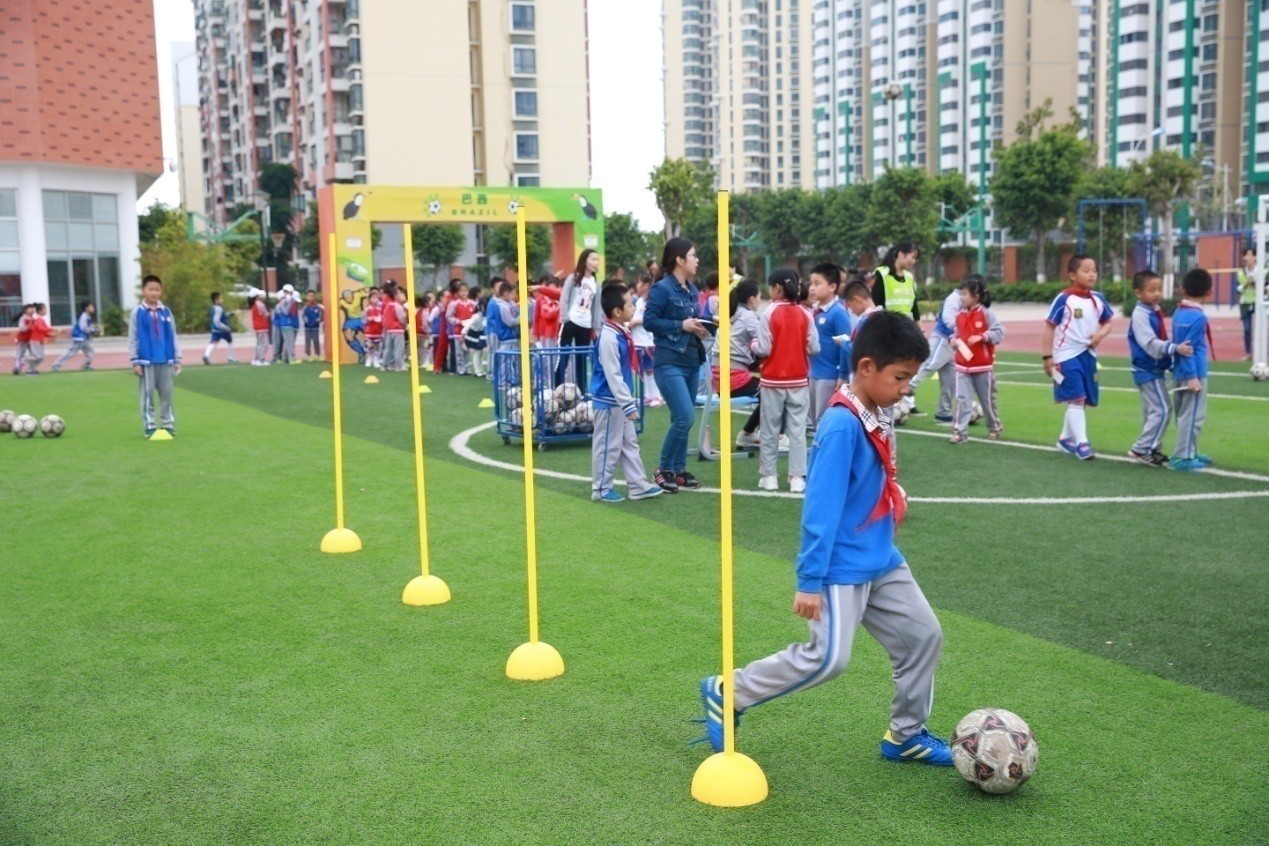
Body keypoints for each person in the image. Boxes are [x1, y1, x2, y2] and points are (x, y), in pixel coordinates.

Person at [695, 310, 950, 767]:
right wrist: (809, 579)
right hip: (841, 565)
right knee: (828, 658)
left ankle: (906, 735)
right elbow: (821, 505)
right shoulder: (841, 423)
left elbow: (869, 479)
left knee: (924, 635)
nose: (906, 387)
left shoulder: (877, 408)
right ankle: (728, 691)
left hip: (881, 558)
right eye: (900, 376)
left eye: (911, 378)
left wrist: (894, 499)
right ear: (867, 368)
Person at [643, 238, 710, 493]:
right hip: (669, 361)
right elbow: (649, 321)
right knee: (685, 417)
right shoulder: (662, 289)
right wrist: (680, 326)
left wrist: (702, 329)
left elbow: (693, 320)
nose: (697, 260)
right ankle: (662, 469)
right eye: (693, 255)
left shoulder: (692, 290)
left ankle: (677, 470)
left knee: (680, 418)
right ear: (679, 260)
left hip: (692, 359)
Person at [589, 282, 664, 503]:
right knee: (607, 446)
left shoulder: (619, 332)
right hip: (609, 401)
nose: (633, 308)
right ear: (617, 312)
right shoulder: (609, 338)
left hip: (618, 401)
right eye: (630, 305)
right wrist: (627, 403)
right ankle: (601, 488)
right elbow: (613, 375)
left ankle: (638, 485)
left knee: (629, 443)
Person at [1042, 256, 1114, 461]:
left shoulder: (1098, 299)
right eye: (1086, 270)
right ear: (1073, 275)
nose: (1092, 274)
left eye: (1094, 270)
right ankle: (1082, 443)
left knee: (1080, 400)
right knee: (1076, 398)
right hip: (1065, 356)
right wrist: (1047, 357)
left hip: (1088, 356)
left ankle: (1065, 439)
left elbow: (1108, 322)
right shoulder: (1064, 299)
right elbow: (1049, 327)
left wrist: (1100, 335)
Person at [754, 269, 819, 493]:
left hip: (773, 381)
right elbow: (814, 347)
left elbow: (763, 348)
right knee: (797, 431)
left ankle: (770, 475)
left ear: (777, 288)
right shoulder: (805, 314)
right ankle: (797, 477)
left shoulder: (768, 313)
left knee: (770, 429)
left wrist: (753, 345)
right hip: (799, 379)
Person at [1127, 270, 1193, 467]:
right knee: (1162, 410)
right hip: (1147, 369)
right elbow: (1148, 342)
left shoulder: (1153, 310)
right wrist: (1173, 349)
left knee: (1155, 410)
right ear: (1138, 293)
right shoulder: (1141, 313)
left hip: (1153, 368)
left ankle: (1152, 447)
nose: (1157, 293)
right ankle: (1142, 448)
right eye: (1151, 290)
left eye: (1159, 289)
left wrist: (1170, 357)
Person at [949, 277, 1005, 444]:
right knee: (962, 398)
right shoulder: (959, 316)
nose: (962, 297)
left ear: (976, 296)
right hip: (962, 366)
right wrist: (952, 340)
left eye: (965, 294)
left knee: (987, 400)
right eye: (961, 294)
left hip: (982, 366)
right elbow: (956, 334)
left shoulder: (987, 313)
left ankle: (994, 426)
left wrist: (982, 337)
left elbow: (999, 333)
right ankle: (960, 431)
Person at [1169, 268, 1215, 471]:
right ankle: (1182, 456)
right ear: (1209, 293)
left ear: (1182, 289)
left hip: (1179, 370)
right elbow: (1189, 348)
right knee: (1193, 415)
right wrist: (1193, 376)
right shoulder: (1198, 317)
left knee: (1184, 413)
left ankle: (1189, 449)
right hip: (1194, 372)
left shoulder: (1179, 311)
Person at [128, 275, 181, 437]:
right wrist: (135, 360)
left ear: (161, 291)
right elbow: (133, 337)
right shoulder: (138, 313)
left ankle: (167, 423)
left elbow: (173, 335)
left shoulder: (166, 312)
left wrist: (177, 358)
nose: (154, 293)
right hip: (146, 361)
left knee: (166, 393)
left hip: (165, 359)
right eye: (150, 289)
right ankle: (149, 424)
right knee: (148, 394)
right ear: (144, 291)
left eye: (157, 290)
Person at [904, 281, 964, 423]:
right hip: (943, 338)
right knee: (930, 363)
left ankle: (943, 412)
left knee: (950, 379)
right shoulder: (954, 298)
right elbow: (948, 320)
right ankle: (908, 385)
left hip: (951, 342)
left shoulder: (962, 299)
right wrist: (962, 329)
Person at [719, 279, 763, 449]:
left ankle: (749, 433)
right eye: (759, 296)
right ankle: (758, 434)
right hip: (732, 376)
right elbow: (765, 343)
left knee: (768, 391)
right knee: (773, 391)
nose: (760, 299)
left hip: (720, 375)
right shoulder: (748, 316)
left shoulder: (733, 313)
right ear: (752, 299)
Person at [807, 263, 853, 425]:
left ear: (833, 286)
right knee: (813, 420)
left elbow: (845, 346)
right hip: (813, 373)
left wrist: (843, 376)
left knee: (824, 420)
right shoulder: (814, 310)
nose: (811, 288)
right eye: (811, 283)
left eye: (817, 284)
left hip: (829, 375)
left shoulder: (838, 313)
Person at [556, 249, 602, 385]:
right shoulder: (573, 278)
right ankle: (557, 389)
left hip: (586, 325)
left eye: (597, 260)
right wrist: (565, 318)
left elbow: (596, 307)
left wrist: (595, 327)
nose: (595, 263)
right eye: (592, 259)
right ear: (584, 260)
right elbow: (564, 298)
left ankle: (582, 393)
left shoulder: (596, 283)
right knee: (563, 357)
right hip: (571, 322)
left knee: (581, 361)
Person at [629, 274, 662, 407]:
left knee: (650, 370)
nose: (637, 286)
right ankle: (648, 395)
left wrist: (635, 322)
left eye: (639, 283)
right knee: (643, 370)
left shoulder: (652, 302)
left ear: (646, 285)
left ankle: (657, 396)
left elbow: (650, 318)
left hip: (648, 341)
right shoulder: (638, 302)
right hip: (638, 341)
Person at [873, 241, 921, 321]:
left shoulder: (909, 277)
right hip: (887, 327)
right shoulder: (881, 273)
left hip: (906, 327)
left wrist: (921, 330)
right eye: (913, 257)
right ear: (901, 254)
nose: (914, 261)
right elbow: (874, 304)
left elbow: (914, 309)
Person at [53, 301, 99, 372]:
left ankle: (85, 365)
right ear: (86, 308)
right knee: (70, 353)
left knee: (90, 352)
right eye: (91, 306)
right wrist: (93, 330)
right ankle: (56, 365)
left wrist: (94, 329)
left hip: (83, 338)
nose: (93, 308)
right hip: (79, 338)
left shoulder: (87, 316)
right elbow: (83, 327)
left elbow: (88, 327)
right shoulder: (84, 316)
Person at [1236, 247, 1257, 361]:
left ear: (1255, 257)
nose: (1247, 258)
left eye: (1250, 255)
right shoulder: (1241, 273)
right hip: (1245, 302)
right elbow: (1237, 289)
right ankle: (1248, 353)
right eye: (1245, 255)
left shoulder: (1263, 271)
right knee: (1247, 328)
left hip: (1259, 302)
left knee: (1263, 328)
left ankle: (1261, 352)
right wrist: (1246, 284)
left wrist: (1256, 284)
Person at [381, 286, 407, 371]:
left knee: (388, 348)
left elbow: (385, 317)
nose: (401, 295)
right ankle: (398, 366)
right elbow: (402, 318)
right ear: (395, 296)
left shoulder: (388, 306)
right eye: (399, 294)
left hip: (389, 330)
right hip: (398, 330)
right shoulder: (398, 306)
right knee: (398, 348)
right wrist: (405, 324)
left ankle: (384, 365)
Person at [24, 303, 54, 375]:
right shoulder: (38, 319)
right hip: (35, 340)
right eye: (44, 309)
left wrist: (52, 335)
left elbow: (43, 332)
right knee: (38, 356)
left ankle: (31, 370)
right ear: (40, 311)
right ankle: (24, 360)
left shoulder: (41, 319)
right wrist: (51, 329)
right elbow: (41, 329)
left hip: (39, 341)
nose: (46, 311)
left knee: (41, 357)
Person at [532, 275, 562, 348]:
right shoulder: (541, 299)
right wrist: (535, 333)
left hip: (557, 332)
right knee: (546, 354)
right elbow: (537, 316)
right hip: (544, 332)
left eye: (554, 288)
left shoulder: (560, 299)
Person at [363, 288, 383, 369]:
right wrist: (369, 319)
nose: (375, 299)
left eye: (376, 298)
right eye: (373, 298)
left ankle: (376, 359)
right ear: (370, 299)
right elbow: (364, 319)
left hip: (378, 329)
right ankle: (369, 358)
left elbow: (382, 317)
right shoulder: (367, 308)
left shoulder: (380, 308)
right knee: (369, 344)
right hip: (370, 329)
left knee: (377, 344)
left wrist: (380, 319)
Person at [11, 303, 34, 375]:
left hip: (31, 339)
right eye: (30, 309)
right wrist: (28, 327)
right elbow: (22, 328)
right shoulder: (23, 318)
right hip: (23, 338)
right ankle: (16, 368)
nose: (32, 310)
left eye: (32, 308)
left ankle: (30, 369)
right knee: (20, 354)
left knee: (33, 354)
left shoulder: (32, 318)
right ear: (25, 311)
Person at [249, 292, 271, 366]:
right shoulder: (260, 304)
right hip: (262, 326)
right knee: (264, 344)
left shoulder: (254, 304)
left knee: (259, 343)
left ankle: (256, 359)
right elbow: (266, 314)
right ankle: (261, 359)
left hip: (257, 326)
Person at [302, 290, 324, 361]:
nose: (311, 297)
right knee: (307, 341)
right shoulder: (305, 307)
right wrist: (306, 320)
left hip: (315, 327)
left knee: (316, 341)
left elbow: (320, 315)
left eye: (312, 296)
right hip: (307, 327)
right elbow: (303, 315)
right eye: (309, 296)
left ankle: (318, 355)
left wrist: (318, 320)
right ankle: (308, 355)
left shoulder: (317, 307)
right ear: (307, 297)